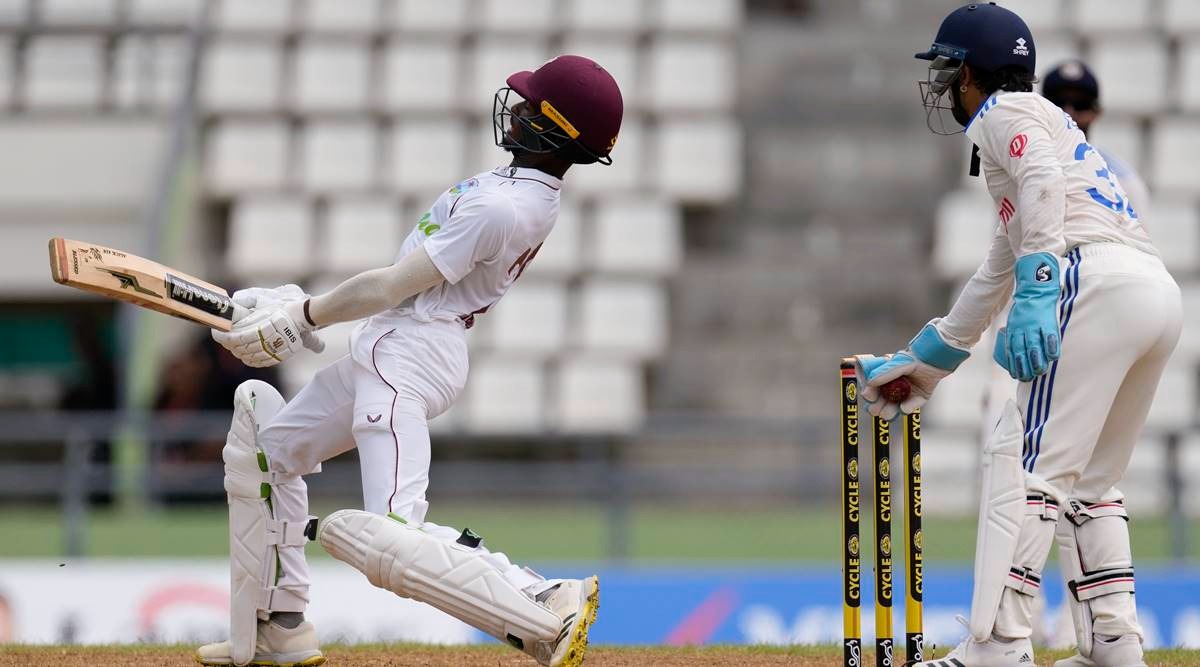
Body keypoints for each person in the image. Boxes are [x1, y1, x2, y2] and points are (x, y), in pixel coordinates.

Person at [195, 54, 623, 667]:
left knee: (391, 537)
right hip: (394, 343)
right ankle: (279, 625)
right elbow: (391, 294)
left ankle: (544, 597)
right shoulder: (513, 190)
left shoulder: (502, 209)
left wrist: (304, 314)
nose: (518, 108)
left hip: (412, 353)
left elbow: (394, 287)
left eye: (533, 105)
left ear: (557, 128)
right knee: (263, 454)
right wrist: (294, 305)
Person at [857, 3, 1180, 666]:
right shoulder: (1042, 127)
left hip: (1093, 279)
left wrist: (1041, 288)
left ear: (977, 73)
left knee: (1029, 462)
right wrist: (928, 360)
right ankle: (1114, 644)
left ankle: (998, 643)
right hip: (1154, 293)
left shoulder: (1006, 114)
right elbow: (995, 268)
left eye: (951, 72)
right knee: (1093, 481)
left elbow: (1038, 192)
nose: (946, 87)